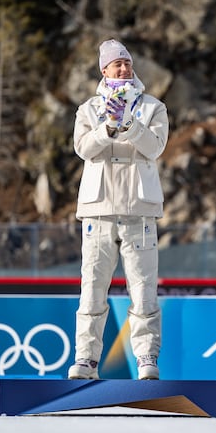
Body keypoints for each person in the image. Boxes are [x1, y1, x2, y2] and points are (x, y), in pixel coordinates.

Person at [68, 39, 169, 380]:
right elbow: (83, 148)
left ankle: (146, 359)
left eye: (127, 63)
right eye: (117, 64)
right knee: (92, 290)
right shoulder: (88, 109)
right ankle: (86, 359)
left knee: (143, 290)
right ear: (104, 70)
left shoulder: (154, 107)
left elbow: (154, 147)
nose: (124, 68)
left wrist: (128, 123)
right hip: (98, 211)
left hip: (139, 211)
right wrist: (107, 127)